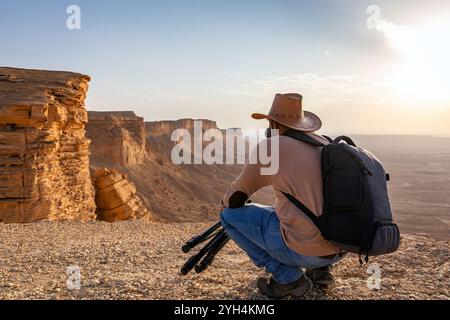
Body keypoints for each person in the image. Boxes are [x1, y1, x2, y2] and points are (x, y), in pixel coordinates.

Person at [220, 93, 343, 299]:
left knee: (228, 217)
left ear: (273, 123)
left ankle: (288, 279)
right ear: (302, 123)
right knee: (302, 208)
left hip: (306, 251)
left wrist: (223, 203)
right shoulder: (325, 144)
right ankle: (321, 272)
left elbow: (237, 197)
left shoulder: (273, 147)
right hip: (341, 246)